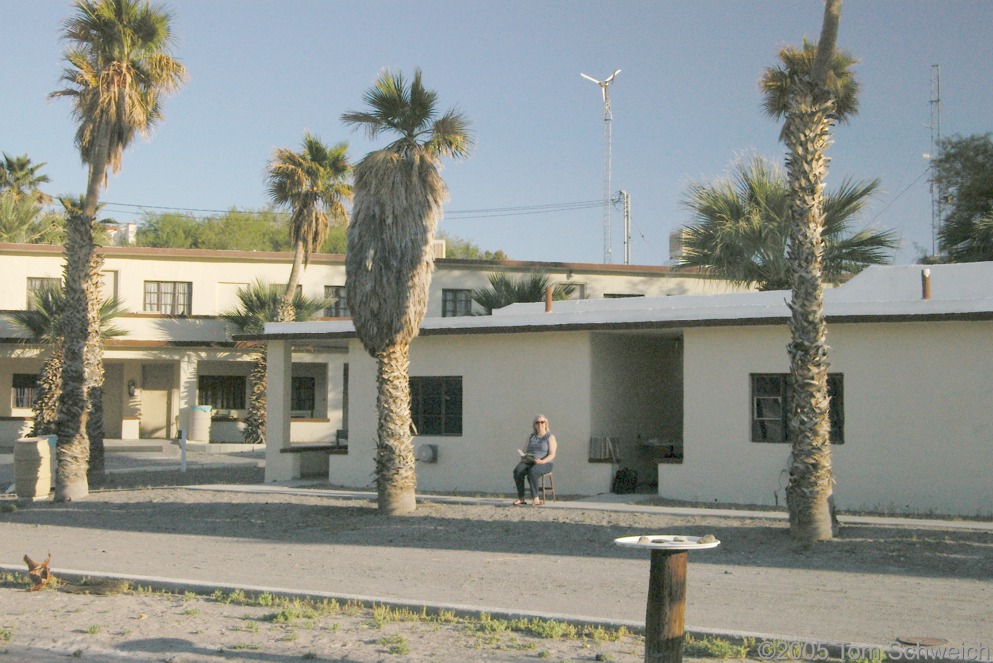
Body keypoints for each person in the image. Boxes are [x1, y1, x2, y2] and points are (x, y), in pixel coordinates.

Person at [512, 414, 557, 506]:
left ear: (545, 424)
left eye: (542, 422)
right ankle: (521, 498)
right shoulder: (531, 437)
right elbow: (524, 450)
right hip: (531, 461)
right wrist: (524, 457)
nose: (539, 424)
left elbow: (552, 454)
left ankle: (535, 498)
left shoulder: (550, 437)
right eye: (537, 422)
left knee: (533, 472)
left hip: (545, 462)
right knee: (517, 471)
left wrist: (542, 461)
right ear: (535, 425)